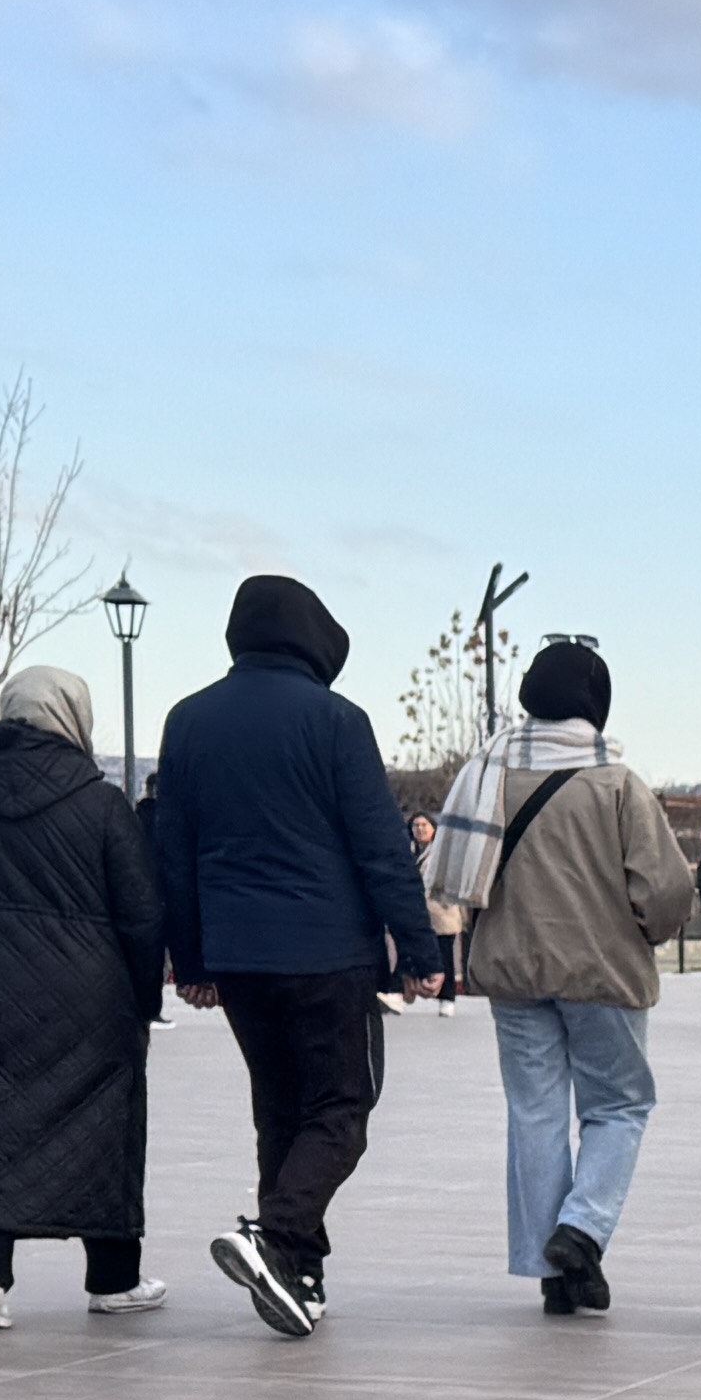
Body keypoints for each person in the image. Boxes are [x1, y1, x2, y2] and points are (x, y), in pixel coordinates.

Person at [148, 572, 432, 1337]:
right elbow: (380, 846)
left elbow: (173, 853)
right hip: (325, 950)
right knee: (342, 1107)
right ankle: (273, 1236)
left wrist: (191, 960)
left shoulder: (188, 720)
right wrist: (418, 947)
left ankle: (298, 1277)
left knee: (280, 1109)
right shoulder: (336, 720)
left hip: (237, 956)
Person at [0, 664, 163, 1325]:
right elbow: (141, 913)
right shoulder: (101, 802)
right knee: (103, 1125)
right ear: (74, 717)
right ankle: (113, 1278)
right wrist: (143, 999)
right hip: (90, 998)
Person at [459, 637, 700, 1313]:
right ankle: (583, 1229)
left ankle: (556, 1271)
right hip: (602, 972)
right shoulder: (616, 783)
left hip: (512, 970)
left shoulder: (490, 774)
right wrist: (646, 932)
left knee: (535, 1113)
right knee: (618, 1105)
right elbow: (666, 888)